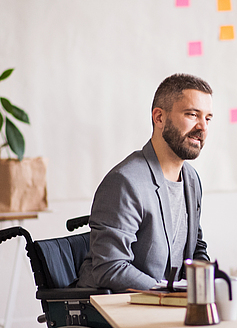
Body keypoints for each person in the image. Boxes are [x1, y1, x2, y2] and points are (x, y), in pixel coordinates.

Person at [77, 73, 213, 292]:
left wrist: (208, 285)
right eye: (192, 114)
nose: (202, 127)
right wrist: (170, 295)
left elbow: (195, 247)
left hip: (166, 308)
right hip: (117, 311)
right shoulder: (125, 182)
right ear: (159, 118)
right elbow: (110, 267)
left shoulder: (191, 179)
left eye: (207, 118)